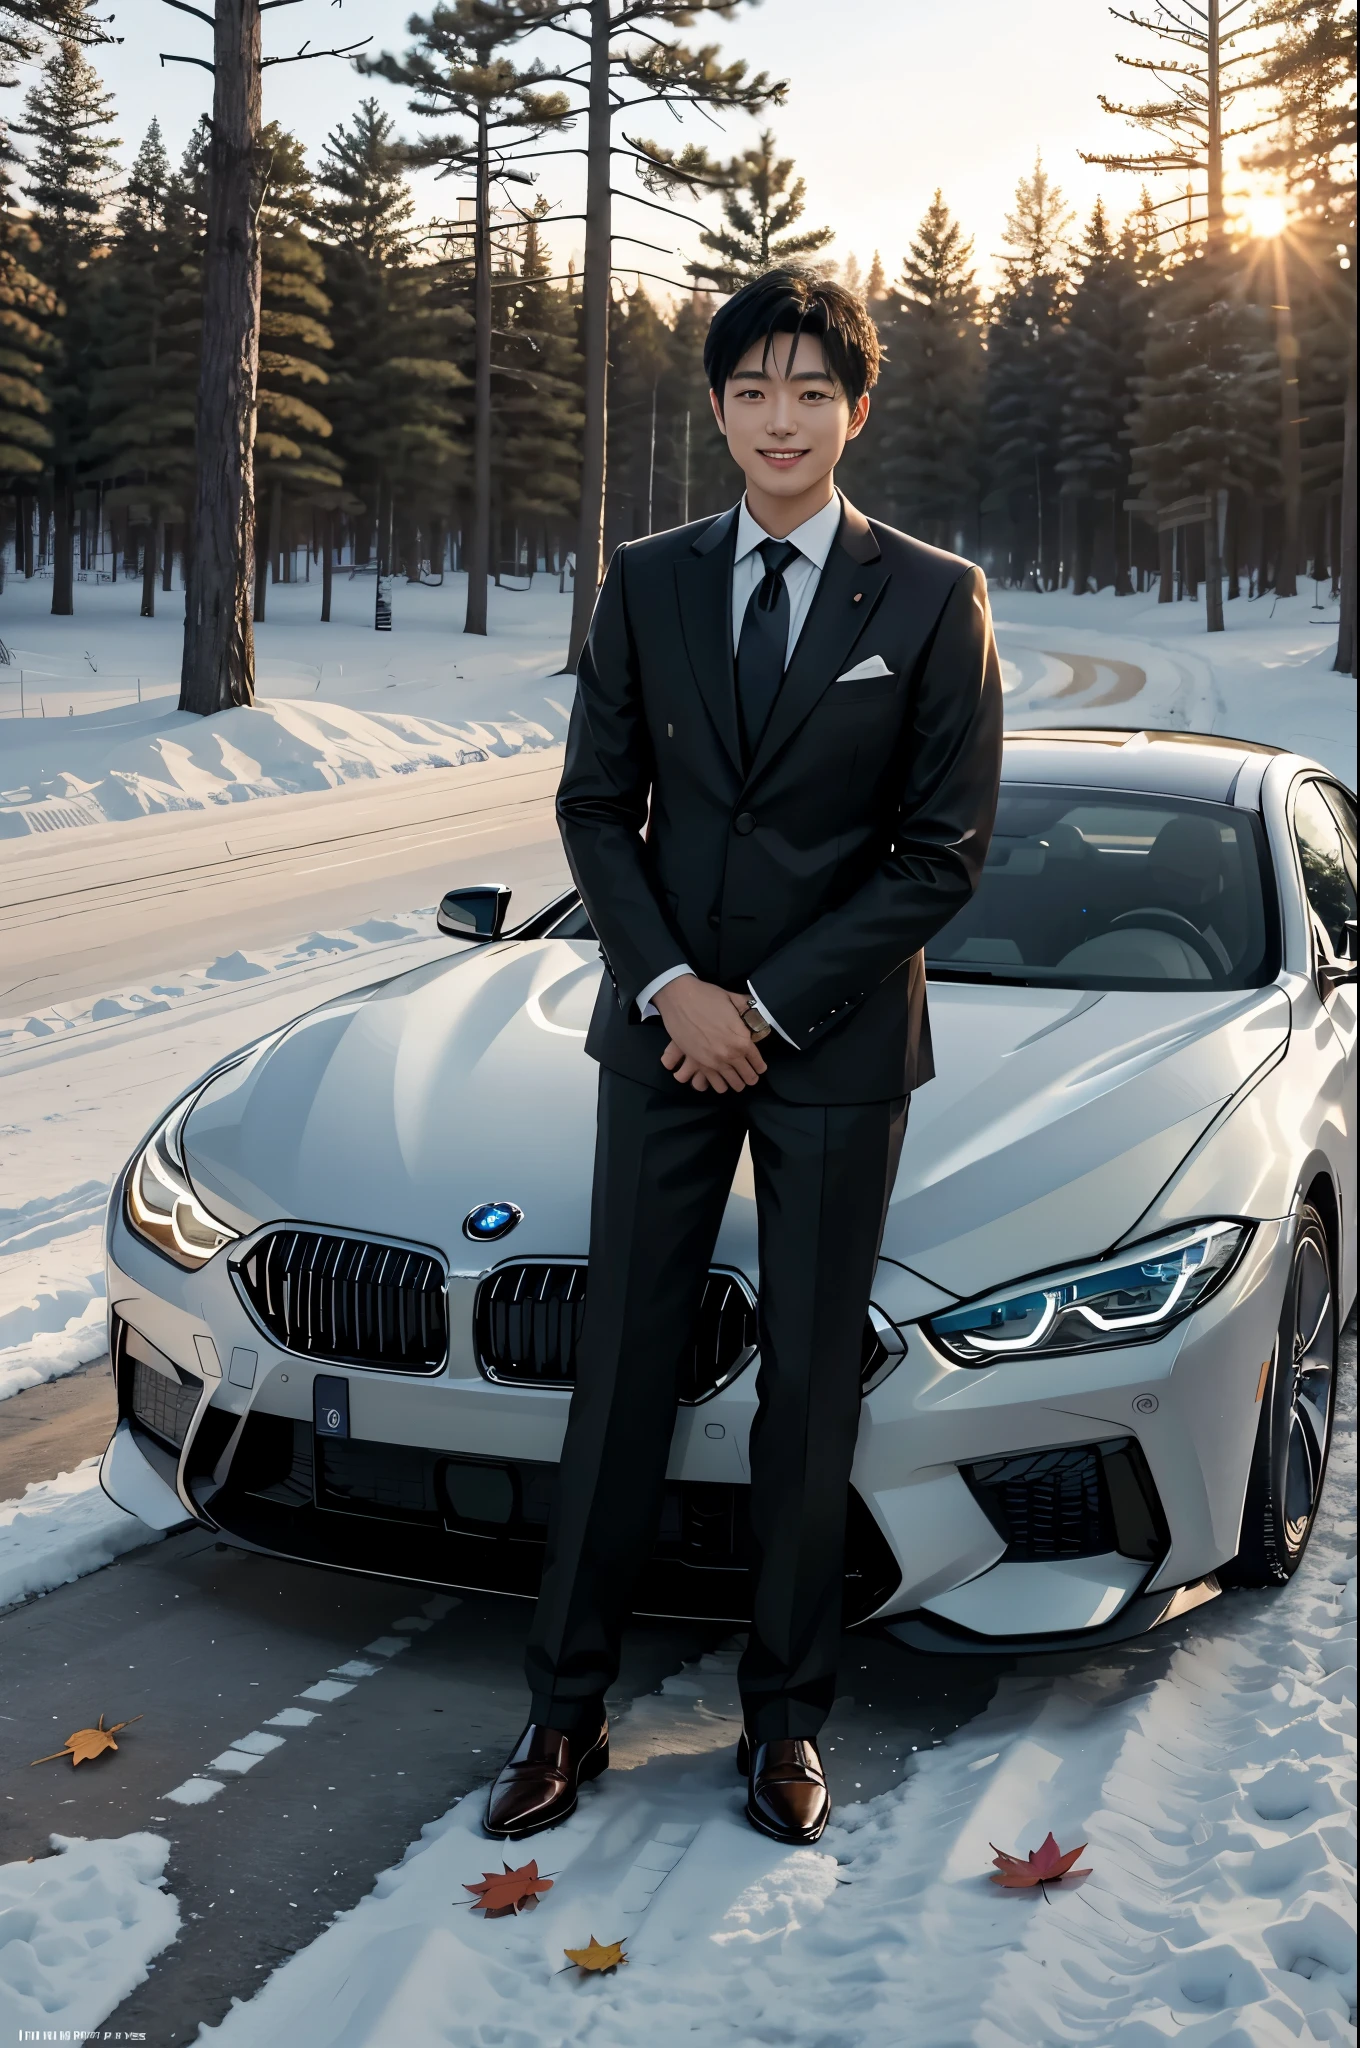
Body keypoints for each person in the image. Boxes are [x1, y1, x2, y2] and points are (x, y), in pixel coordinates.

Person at [484, 267, 1003, 1847]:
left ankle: (786, 1723)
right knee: (621, 1375)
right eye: (754, 391)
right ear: (716, 409)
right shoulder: (643, 581)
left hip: (837, 1051)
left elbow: (940, 854)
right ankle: (561, 1714)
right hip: (658, 1037)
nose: (783, 419)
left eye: (812, 392)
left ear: (858, 410)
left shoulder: (928, 594)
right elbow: (596, 807)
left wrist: (763, 1008)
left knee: (803, 1402)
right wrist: (668, 989)